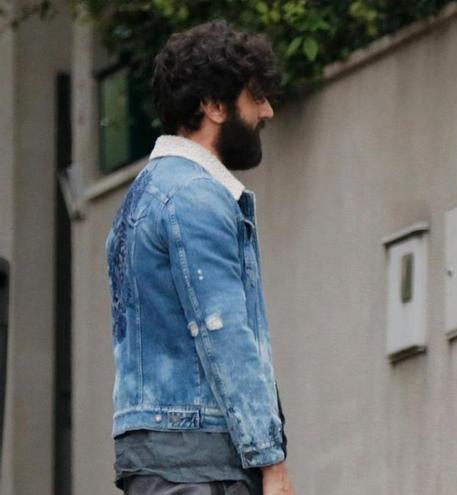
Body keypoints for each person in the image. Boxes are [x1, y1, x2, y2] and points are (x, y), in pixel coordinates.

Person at [106, 21, 294, 495]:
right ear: (213, 106)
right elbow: (224, 334)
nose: (267, 110)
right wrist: (272, 462)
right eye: (255, 97)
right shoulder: (195, 197)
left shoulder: (139, 201)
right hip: (200, 464)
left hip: (155, 458)